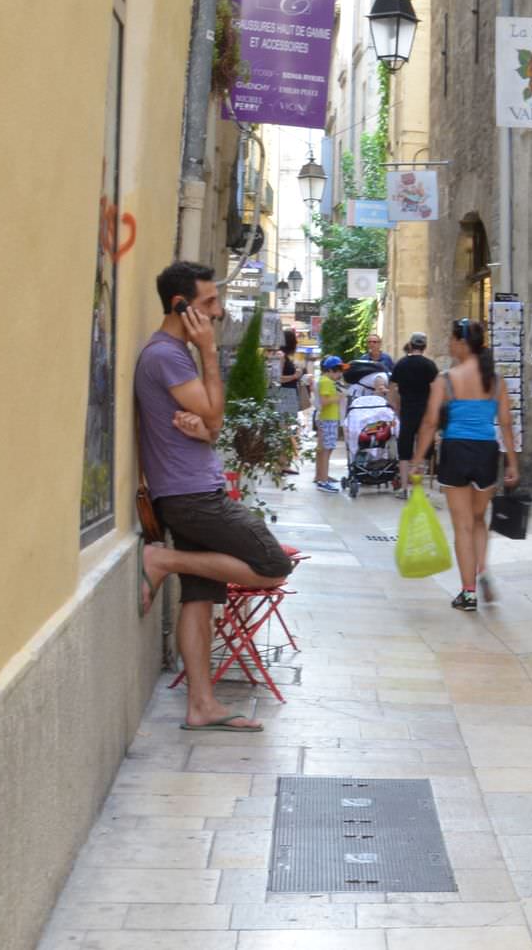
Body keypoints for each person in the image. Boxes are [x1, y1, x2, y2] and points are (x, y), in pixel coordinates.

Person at [135, 261, 295, 733]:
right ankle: (162, 562)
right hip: (192, 496)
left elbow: (214, 422)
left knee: (200, 600)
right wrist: (208, 352)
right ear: (180, 306)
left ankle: (201, 705)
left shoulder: (174, 353)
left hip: (191, 489)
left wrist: (205, 430)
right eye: (208, 303)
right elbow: (212, 407)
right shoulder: (168, 355)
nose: (218, 311)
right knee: (272, 566)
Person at [414, 318, 518, 611]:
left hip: (456, 450)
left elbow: (430, 423)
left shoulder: (445, 380)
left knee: (461, 526)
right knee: (478, 520)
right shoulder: (496, 381)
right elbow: (507, 425)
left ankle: (468, 593)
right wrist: (513, 463)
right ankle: (482, 568)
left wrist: (418, 459)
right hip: (487, 452)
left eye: (450, 340)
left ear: (460, 343)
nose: (448, 345)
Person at [389, 333, 440, 497]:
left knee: (405, 448)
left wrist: (396, 406)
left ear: (410, 345)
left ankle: (404, 488)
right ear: (424, 347)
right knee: (423, 448)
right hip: (425, 411)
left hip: (407, 410)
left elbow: (392, 388)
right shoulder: (430, 366)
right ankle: (419, 489)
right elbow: (435, 390)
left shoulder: (401, 364)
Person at [314, 355, 345, 491]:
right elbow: (324, 401)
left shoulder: (327, 381)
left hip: (329, 419)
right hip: (328, 419)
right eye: (338, 371)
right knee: (326, 450)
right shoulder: (326, 382)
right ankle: (323, 480)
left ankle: (322, 477)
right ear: (331, 370)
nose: (340, 374)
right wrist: (338, 397)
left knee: (327, 449)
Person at [276, 329, 304, 476]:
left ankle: (284, 463)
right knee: (283, 430)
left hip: (288, 395)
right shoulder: (281, 356)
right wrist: (295, 376)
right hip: (283, 395)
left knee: (286, 431)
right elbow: (277, 378)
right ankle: (280, 465)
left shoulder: (285, 356)